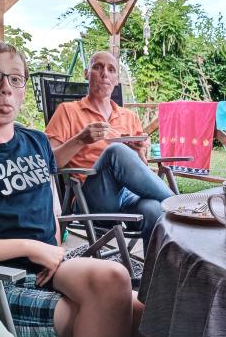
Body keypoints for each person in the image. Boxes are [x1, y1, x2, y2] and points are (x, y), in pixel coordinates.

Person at [0, 40, 164, 337]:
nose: (6, 89)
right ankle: (179, 209)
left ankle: (171, 210)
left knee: (136, 304)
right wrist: (29, 246)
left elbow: (51, 175)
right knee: (120, 319)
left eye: (15, 78)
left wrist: (51, 244)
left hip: (49, 266)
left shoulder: (34, 140)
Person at [45, 51, 173, 253]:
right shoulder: (67, 111)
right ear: (87, 73)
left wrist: (140, 152)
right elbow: (49, 163)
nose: (105, 73)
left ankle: (152, 280)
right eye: (98, 67)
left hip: (128, 196)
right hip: (92, 198)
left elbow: (141, 168)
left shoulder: (129, 116)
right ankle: (179, 204)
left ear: (116, 79)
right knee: (115, 150)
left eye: (111, 69)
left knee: (155, 210)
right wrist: (80, 139)